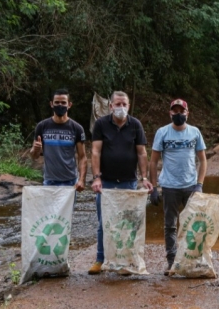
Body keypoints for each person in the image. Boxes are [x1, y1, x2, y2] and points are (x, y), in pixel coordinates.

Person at [88, 91, 153, 274]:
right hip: (106, 182)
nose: (121, 108)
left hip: (128, 182)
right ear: (110, 106)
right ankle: (100, 259)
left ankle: (124, 261)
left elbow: (141, 153)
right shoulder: (101, 124)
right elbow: (95, 152)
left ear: (129, 106)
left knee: (127, 223)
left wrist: (145, 178)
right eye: (117, 104)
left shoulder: (135, 125)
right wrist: (96, 177)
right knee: (104, 222)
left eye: (124, 104)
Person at [149, 99, 207, 275]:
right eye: (175, 111)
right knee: (170, 226)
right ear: (170, 113)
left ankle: (194, 260)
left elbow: (203, 160)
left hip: (190, 186)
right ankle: (172, 262)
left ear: (187, 113)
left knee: (195, 225)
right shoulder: (162, 132)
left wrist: (199, 184)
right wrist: (153, 187)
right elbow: (153, 161)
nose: (178, 114)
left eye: (181, 111)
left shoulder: (194, 132)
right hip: (169, 186)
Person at [30, 89, 87, 191]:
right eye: (57, 102)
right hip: (49, 181)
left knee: (69, 208)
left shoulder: (77, 128)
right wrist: (36, 149)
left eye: (63, 102)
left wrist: (82, 180)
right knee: (48, 208)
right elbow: (34, 156)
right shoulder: (42, 126)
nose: (60, 105)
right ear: (51, 104)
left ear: (69, 105)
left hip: (70, 181)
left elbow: (82, 157)